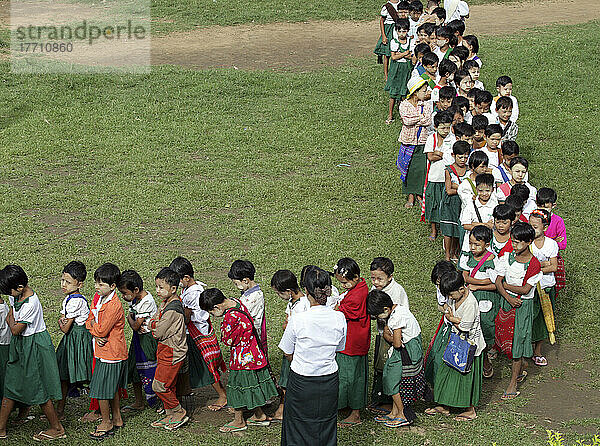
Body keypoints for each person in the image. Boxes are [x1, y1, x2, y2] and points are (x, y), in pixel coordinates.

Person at [279, 267, 347, 446]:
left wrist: (297, 361)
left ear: (307, 291)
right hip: (328, 380)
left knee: (296, 426)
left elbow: (287, 350)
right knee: (325, 424)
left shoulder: (298, 319)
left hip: (301, 381)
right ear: (329, 290)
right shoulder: (339, 318)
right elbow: (340, 347)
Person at [199, 288, 277, 433]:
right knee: (251, 384)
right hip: (254, 353)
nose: (213, 316)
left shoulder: (230, 316)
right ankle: (259, 415)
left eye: (211, 313)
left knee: (238, 387)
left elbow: (228, 339)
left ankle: (238, 420)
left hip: (242, 358)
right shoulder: (236, 302)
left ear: (216, 307)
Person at [0, 265, 65, 441]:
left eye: (9, 292)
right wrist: (12, 320)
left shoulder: (31, 303)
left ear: (20, 288)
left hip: (34, 346)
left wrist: (11, 319)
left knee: (40, 388)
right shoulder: (16, 295)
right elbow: (12, 320)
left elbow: (14, 329)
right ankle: (1, 429)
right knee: (11, 383)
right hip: (21, 345)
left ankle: (57, 428)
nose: (8, 296)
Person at [169, 257, 227, 411]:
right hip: (201, 331)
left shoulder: (191, 294)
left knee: (206, 367)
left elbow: (187, 317)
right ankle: (186, 392)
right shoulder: (192, 289)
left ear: (186, 278)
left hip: (196, 335)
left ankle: (222, 395)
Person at [428, 270, 484, 421]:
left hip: (469, 347)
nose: (450, 298)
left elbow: (464, 326)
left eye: (451, 295)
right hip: (455, 343)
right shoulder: (454, 297)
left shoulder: (471, 303)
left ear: (461, 289)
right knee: (446, 372)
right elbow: (447, 308)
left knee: (466, 378)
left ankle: (470, 409)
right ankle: (444, 405)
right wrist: (454, 318)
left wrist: (451, 317)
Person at [494, 222, 542, 400]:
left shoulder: (534, 264)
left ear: (528, 242)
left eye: (518, 242)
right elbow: (498, 281)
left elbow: (525, 290)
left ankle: (513, 383)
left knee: (518, 343)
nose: (514, 245)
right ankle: (520, 369)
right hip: (508, 303)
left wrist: (506, 287)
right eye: (513, 241)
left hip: (523, 307)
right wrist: (508, 297)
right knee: (505, 338)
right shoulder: (506, 257)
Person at [366, 290, 425, 428]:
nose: (378, 318)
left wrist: (388, 336)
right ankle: (394, 412)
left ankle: (403, 414)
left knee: (391, 380)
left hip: (405, 353)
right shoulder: (398, 309)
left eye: (378, 315)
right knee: (392, 377)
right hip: (407, 350)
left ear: (386, 309)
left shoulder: (396, 318)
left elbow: (397, 343)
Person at [86, 263, 127, 439]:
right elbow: (89, 320)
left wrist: (94, 329)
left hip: (110, 353)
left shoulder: (113, 305)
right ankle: (116, 418)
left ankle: (105, 422)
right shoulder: (100, 298)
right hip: (106, 351)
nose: (97, 287)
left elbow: (101, 331)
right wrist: (94, 327)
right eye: (96, 283)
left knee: (101, 389)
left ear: (112, 286)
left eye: (101, 284)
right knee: (111, 388)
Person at [149, 267, 189, 430]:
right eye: (156, 287)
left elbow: (157, 331)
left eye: (161, 287)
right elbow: (155, 322)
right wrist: (155, 323)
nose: (157, 291)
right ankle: (170, 414)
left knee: (159, 386)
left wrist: (154, 324)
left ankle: (178, 412)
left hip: (172, 352)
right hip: (166, 350)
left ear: (173, 289)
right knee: (168, 385)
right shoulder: (166, 303)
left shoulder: (172, 309)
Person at [457, 225, 499, 378]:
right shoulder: (468, 257)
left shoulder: (492, 260)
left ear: (487, 244)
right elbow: (464, 277)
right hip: (470, 299)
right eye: (471, 244)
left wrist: (475, 284)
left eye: (477, 244)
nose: (473, 247)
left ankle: (486, 356)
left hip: (487, 300)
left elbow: (495, 284)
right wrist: (478, 281)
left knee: (485, 326)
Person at [368, 257, 409, 413]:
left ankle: (388, 402)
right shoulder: (375, 289)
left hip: (393, 336)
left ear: (390, 277)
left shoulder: (397, 291)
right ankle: (379, 399)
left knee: (390, 367)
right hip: (381, 334)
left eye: (380, 278)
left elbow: (399, 315)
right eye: (373, 278)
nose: (376, 282)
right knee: (380, 366)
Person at [333, 257, 370, 427]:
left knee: (351, 378)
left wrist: (337, 307)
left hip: (352, 343)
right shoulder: (359, 286)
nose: (343, 286)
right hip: (350, 341)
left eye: (345, 283)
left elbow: (343, 310)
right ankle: (345, 405)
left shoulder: (358, 295)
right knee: (348, 376)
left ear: (356, 278)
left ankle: (355, 413)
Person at [270, 269, 310, 421]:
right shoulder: (292, 302)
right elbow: (287, 321)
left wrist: (288, 326)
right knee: (286, 377)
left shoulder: (302, 305)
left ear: (288, 291)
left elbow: (294, 327)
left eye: (279, 293)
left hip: (297, 348)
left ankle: (286, 407)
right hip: (290, 345)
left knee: (290, 379)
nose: (278, 296)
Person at [55, 261, 93, 419]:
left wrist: (61, 322)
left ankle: (96, 409)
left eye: (68, 282)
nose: (64, 284)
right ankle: (60, 410)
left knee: (80, 372)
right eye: (63, 280)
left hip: (78, 340)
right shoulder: (69, 298)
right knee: (65, 373)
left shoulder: (76, 301)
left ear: (80, 284)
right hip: (72, 339)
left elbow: (64, 326)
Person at [118, 270, 159, 412]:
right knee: (135, 369)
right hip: (138, 340)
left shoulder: (146, 302)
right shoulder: (135, 299)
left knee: (149, 369)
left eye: (124, 293)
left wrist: (129, 318)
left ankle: (156, 399)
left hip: (147, 340)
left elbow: (135, 325)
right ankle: (139, 401)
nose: (123, 296)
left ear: (135, 290)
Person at [529, 209, 558, 367]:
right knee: (530, 318)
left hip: (546, 287)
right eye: (530, 226)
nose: (532, 229)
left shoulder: (551, 245)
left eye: (535, 227)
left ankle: (538, 350)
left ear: (545, 228)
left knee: (543, 318)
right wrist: (544, 263)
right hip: (531, 288)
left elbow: (554, 267)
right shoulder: (527, 243)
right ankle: (527, 347)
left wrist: (536, 267)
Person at [397, 77, 432, 209]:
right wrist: (420, 118)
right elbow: (406, 120)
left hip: (422, 141)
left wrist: (416, 119)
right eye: (423, 91)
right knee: (409, 168)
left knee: (421, 169)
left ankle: (419, 194)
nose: (426, 93)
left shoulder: (426, 105)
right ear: (415, 92)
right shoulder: (404, 105)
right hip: (408, 142)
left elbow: (428, 121)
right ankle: (411, 194)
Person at [423, 260, 456, 388]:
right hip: (446, 324)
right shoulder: (440, 288)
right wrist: (446, 310)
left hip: (455, 329)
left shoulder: (458, 292)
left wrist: (448, 312)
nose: (438, 288)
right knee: (436, 355)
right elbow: (440, 305)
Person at [423, 110, 455, 240]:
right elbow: (430, 156)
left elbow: (451, 156)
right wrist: (442, 155)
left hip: (447, 177)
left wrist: (440, 153)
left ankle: (444, 228)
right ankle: (434, 230)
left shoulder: (452, 139)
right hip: (434, 176)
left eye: (448, 127)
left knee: (445, 204)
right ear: (436, 127)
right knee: (433, 203)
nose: (445, 130)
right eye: (442, 128)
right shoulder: (432, 138)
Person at [228, 259, 267, 355]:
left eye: (236, 283)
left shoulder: (256, 296)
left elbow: (242, 312)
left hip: (252, 334)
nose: (236, 286)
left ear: (245, 281)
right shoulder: (248, 293)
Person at [440, 141, 470, 261]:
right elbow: (448, 190)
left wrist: (456, 186)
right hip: (450, 203)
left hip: (462, 203)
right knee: (448, 229)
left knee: (458, 227)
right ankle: (447, 254)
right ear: (454, 155)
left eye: (465, 157)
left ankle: (455, 252)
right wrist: (463, 188)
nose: (463, 159)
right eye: (460, 157)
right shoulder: (449, 170)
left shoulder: (469, 170)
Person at [536, 187, 566, 292]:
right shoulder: (533, 219)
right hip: (535, 258)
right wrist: (553, 240)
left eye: (545, 208)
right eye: (539, 206)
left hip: (551, 259)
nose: (542, 211)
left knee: (552, 289)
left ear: (553, 206)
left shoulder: (558, 221)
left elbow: (562, 244)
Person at [459, 173, 497, 253]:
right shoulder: (470, 205)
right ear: (476, 189)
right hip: (470, 244)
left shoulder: (495, 205)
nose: (484, 194)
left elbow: (493, 225)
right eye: (480, 190)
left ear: (492, 190)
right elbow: (466, 225)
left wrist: (474, 224)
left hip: (488, 244)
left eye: (487, 191)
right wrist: (484, 225)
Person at [385, 19, 413, 124]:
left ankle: (403, 114)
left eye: (404, 31)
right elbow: (393, 57)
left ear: (408, 31)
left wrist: (401, 54)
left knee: (404, 92)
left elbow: (411, 56)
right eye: (399, 31)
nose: (401, 34)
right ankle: (390, 114)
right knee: (393, 93)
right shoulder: (394, 42)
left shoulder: (410, 41)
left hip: (406, 68)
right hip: (396, 68)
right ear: (396, 31)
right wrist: (405, 53)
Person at [374, 0, 402, 81]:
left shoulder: (401, 3)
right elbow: (382, 21)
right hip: (389, 30)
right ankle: (386, 75)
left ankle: (397, 72)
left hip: (399, 29)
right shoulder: (386, 7)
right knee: (387, 54)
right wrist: (383, 36)